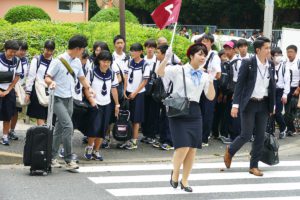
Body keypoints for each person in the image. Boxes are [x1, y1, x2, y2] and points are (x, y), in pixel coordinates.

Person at [157, 43, 215, 192]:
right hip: (178, 108)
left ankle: (185, 180)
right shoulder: (178, 69)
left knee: (192, 149)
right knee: (183, 146)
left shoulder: (204, 75)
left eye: (204, 55)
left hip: (195, 111)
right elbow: (160, 72)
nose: (203, 57)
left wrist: (211, 80)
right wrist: (166, 58)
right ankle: (175, 173)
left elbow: (210, 96)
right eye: (200, 54)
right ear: (191, 55)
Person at [224, 37, 276, 176]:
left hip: (264, 103)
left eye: (269, 48)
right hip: (249, 103)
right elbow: (239, 85)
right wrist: (235, 105)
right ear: (258, 50)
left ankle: (254, 166)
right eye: (266, 48)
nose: (269, 50)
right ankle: (230, 151)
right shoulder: (248, 63)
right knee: (246, 134)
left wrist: (273, 105)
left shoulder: (270, 64)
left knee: (259, 136)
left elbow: (272, 86)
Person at [45, 35, 94, 171]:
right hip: (57, 98)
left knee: (60, 128)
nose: (83, 52)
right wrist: (51, 82)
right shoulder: (58, 61)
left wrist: (89, 89)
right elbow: (47, 77)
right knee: (68, 127)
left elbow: (82, 78)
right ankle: (68, 159)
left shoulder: (77, 62)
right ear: (77, 49)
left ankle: (51, 158)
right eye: (82, 49)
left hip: (69, 98)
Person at [84, 50, 119, 161]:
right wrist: (91, 100)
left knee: (103, 129)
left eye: (108, 61)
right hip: (95, 104)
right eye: (104, 61)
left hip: (107, 104)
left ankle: (96, 150)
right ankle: (89, 147)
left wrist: (117, 104)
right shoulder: (92, 72)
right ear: (99, 61)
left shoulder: (112, 73)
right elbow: (86, 87)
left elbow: (114, 89)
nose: (106, 64)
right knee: (94, 128)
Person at [119, 43, 150, 150]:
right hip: (128, 92)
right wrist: (124, 90)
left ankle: (134, 141)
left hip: (139, 94)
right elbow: (126, 77)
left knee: (136, 118)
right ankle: (127, 139)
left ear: (141, 52)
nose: (133, 53)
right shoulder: (129, 62)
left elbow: (145, 81)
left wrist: (135, 93)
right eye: (132, 51)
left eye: (135, 51)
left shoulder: (145, 64)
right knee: (127, 116)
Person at [197, 33, 221, 146]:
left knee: (207, 111)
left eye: (206, 41)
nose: (204, 43)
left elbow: (218, 75)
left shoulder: (214, 56)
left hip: (210, 84)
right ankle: (198, 135)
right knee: (199, 110)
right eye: (203, 41)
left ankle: (204, 137)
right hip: (199, 85)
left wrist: (206, 72)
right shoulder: (199, 54)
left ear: (211, 43)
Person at [25, 40, 55, 125]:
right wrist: (28, 92)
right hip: (38, 90)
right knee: (40, 115)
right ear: (44, 49)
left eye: (51, 50)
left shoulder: (54, 62)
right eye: (47, 50)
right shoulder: (37, 60)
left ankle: (44, 134)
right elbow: (31, 77)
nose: (48, 52)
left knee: (48, 115)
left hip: (49, 91)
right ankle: (41, 136)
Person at [152, 44, 174, 150]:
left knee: (168, 118)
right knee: (163, 118)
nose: (156, 54)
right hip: (163, 96)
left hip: (170, 96)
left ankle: (170, 141)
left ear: (165, 55)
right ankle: (163, 139)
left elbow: (159, 74)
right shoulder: (161, 64)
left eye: (158, 52)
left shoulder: (169, 67)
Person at [0, 40, 22, 146]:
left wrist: (8, 90)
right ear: (5, 49)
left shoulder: (17, 61)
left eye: (15, 52)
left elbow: (17, 76)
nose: (13, 54)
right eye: (11, 51)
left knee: (7, 115)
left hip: (9, 91)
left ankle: (5, 136)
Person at [9, 41, 29, 140]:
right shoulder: (11, 59)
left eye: (24, 50)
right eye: (21, 50)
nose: (22, 52)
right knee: (7, 111)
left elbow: (26, 75)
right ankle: (5, 131)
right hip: (9, 88)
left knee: (15, 112)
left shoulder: (26, 60)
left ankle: (11, 131)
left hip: (20, 89)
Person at [141, 39, 160, 145]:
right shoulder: (142, 60)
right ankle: (145, 134)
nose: (150, 49)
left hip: (154, 91)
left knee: (153, 113)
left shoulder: (157, 61)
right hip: (143, 90)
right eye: (148, 47)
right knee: (144, 112)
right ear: (145, 48)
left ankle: (151, 135)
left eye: (152, 47)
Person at [271, 47, 290, 139]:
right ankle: (271, 131)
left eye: (280, 55)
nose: (278, 57)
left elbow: (287, 81)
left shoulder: (284, 66)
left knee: (277, 112)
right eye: (276, 55)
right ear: (272, 56)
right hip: (271, 91)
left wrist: (285, 94)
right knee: (271, 112)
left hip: (280, 91)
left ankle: (283, 128)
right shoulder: (269, 65)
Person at [284, 45, 300, 136]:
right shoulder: (285, 63)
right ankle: (289, 128)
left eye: (291, 52)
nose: (289, 54)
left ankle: (291, 129)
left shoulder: (298, 62)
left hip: (295, 89)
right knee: (286, 110)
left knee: (291, 110)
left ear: (295, 53)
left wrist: (298, 89)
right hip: (286, 88)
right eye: (288, 52)